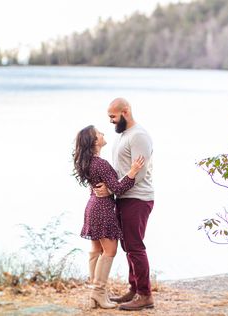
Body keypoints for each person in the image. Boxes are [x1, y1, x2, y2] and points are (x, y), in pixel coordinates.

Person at [73, 125, 145, 309]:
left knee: (96, 250)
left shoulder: (88, 162)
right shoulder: (101, 163)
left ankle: (94, 295)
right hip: (102, 209)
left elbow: (105, 186)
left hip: (92, 207)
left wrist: (108, 188)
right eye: (99, 133)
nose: (103, 134)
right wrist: (133, 171)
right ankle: (98, 293)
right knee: (110, 251)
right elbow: (119, 188)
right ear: (94, 141)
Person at [94, 98, 155, 311]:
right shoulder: (123, 135)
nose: (111, 121)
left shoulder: (139, 136)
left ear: (125, 111)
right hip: (124, 197)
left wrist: (111, 189)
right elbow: (121, 170)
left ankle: (145, 295)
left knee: (135, 246)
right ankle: (134, 288)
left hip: (138, 197)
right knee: (128, 246)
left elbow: (139, 173)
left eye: (113, 116)